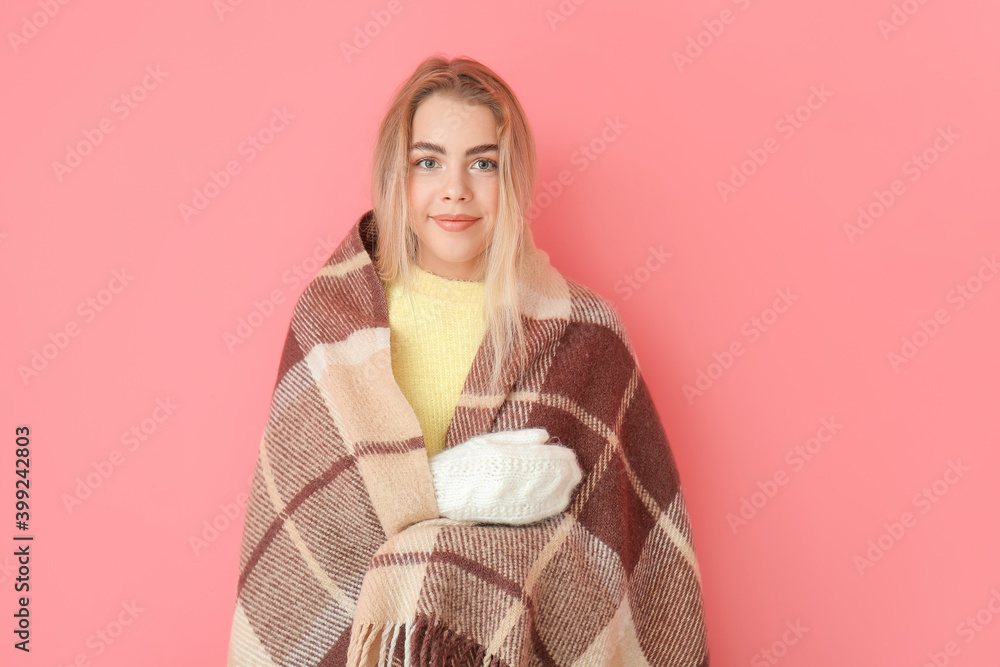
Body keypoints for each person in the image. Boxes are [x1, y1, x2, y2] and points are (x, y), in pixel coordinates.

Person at [228, 55, 710, 666]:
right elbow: (312, 530)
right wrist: (449, 490)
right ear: (396, 178)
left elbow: (613, 556)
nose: (455, 188)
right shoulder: (334, 325)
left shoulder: (583, 334)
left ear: (513, 178)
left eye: (483, 163)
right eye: (427, 162)